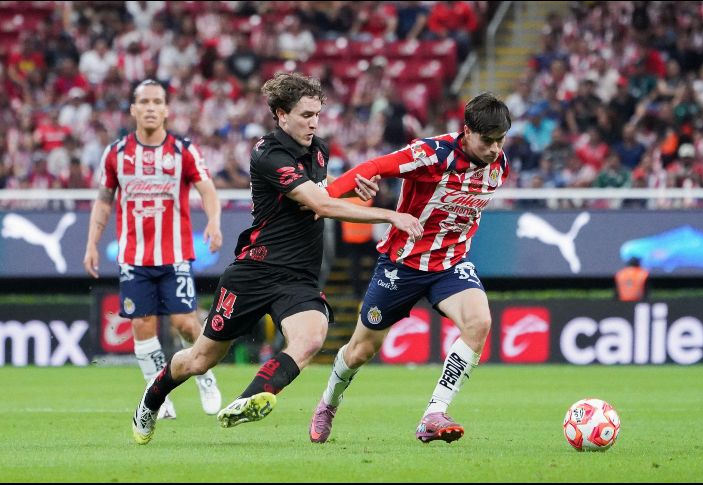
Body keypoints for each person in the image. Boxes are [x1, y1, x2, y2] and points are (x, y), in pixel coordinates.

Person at [131, 72, 423, 445]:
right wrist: (389, 214)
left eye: (317, 114)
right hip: (254, 271)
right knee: (200, 359)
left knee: (311, 337)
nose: (313, 122)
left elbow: (322, 193)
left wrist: (352, 188)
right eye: (305, 115)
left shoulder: (319, 150)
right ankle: (150, 400)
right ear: (281, 115)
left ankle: (246, 400)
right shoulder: (267, 153)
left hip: (298, 278)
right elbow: (318, 203)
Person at [308, 92, 512, 444]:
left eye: (500, 140)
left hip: (450, 264)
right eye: (487, 140)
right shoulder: (433, 154)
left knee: (479, 322)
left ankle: (434, 413)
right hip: (400, 266)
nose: (495, 149)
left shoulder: (499, 165)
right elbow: (373, 168)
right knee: (360, 350)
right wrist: (322, 198)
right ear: (467, 131)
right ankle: (328, 403)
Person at [83, 79, 224, 421]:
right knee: (142, 327)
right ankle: (157, 396)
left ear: (165, 109)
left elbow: (207, 190)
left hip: (174, 255)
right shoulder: (116, 153)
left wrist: (214, 221)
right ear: (133, 109)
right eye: (143, 101)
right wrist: (91, 243)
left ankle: (204, 375)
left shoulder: (183, 150)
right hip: (134, 257)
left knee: (186, 324)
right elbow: (104, 201)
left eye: (156, 101)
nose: (149, 107)